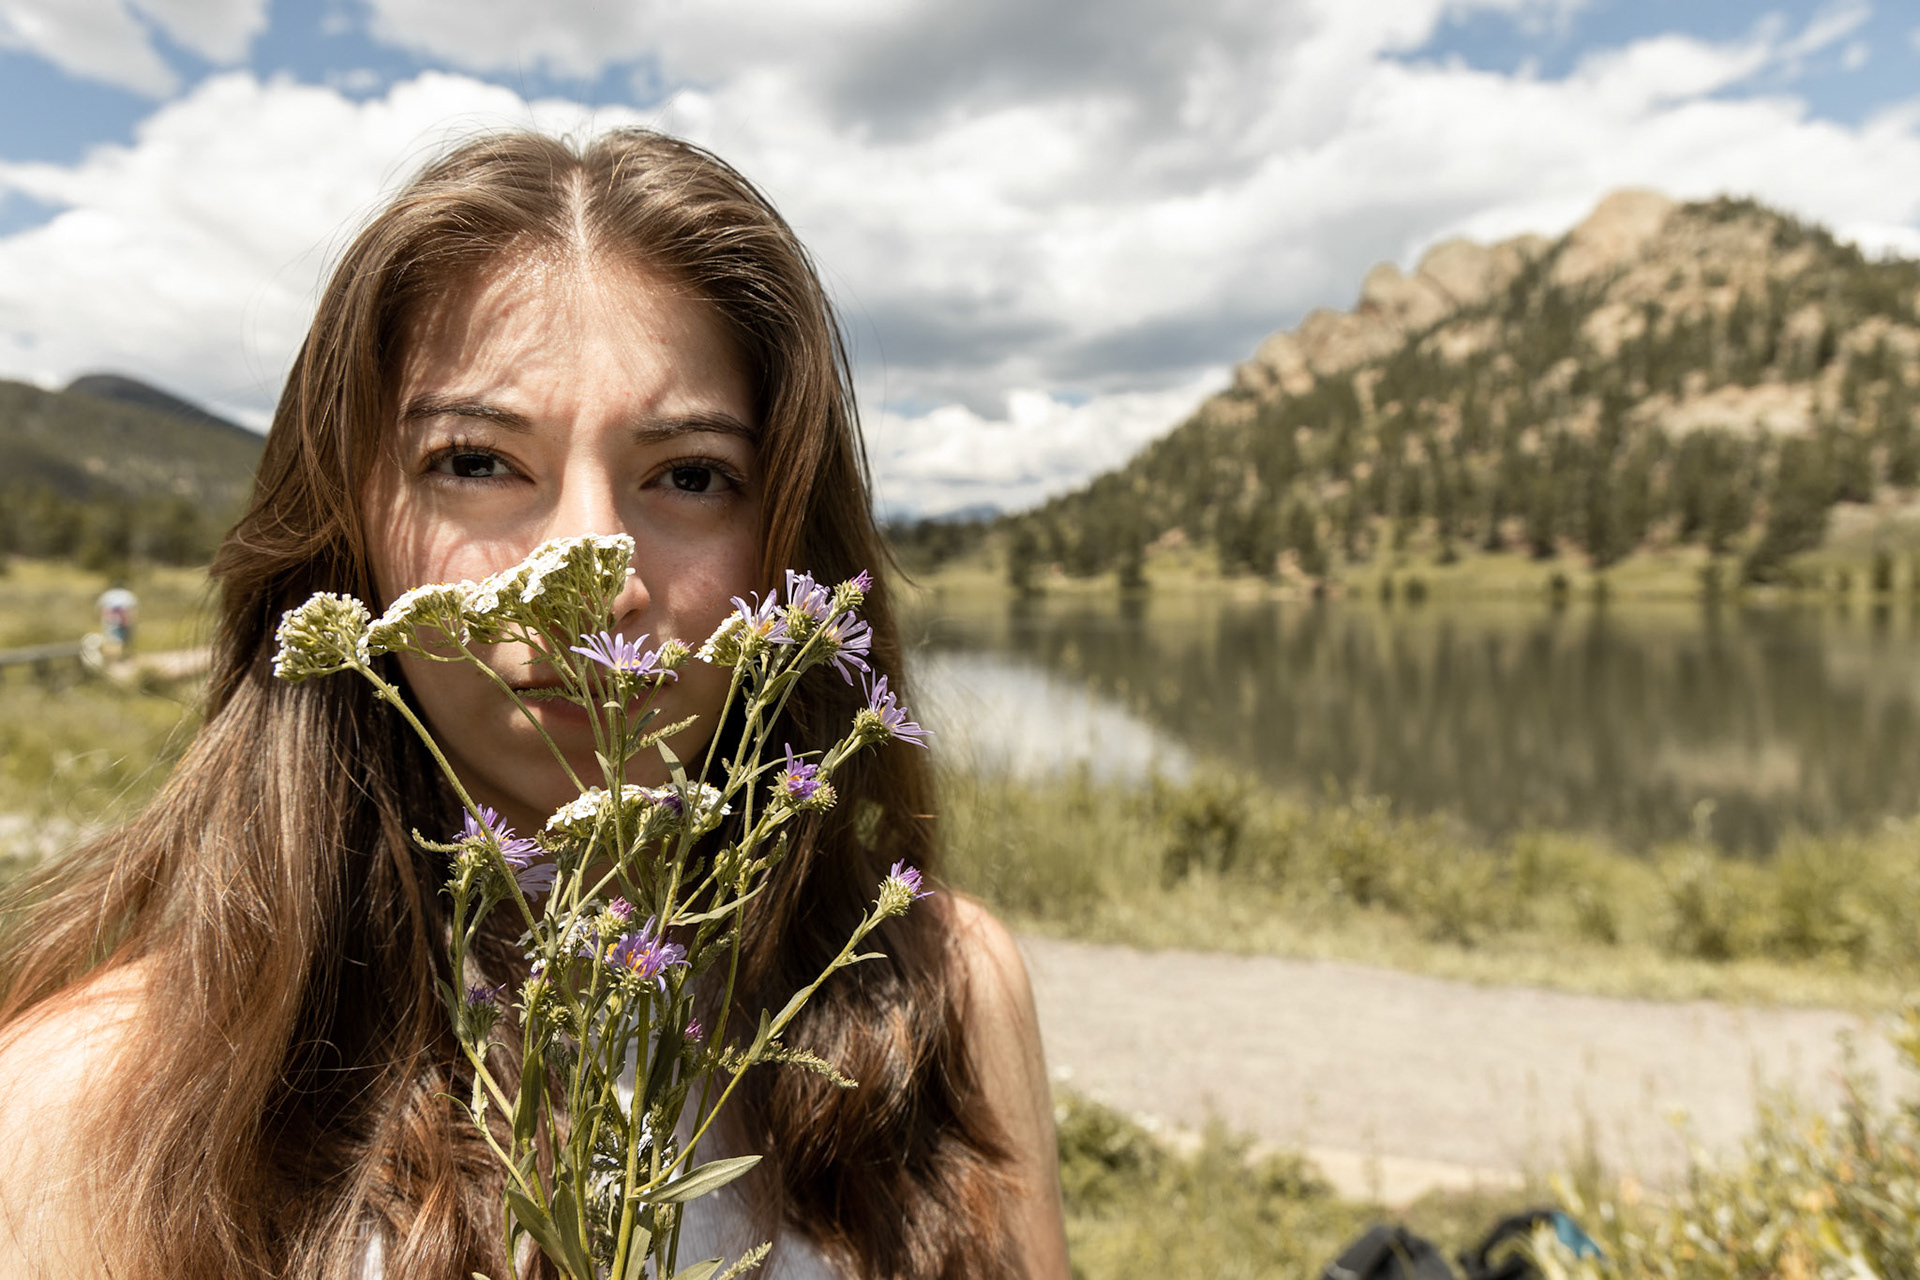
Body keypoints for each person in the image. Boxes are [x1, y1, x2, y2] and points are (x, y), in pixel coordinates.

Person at [0, 130, 1070, 1279]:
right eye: (476, 461)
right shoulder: (87, 1106)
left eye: (691, 474)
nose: (594, 572)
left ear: (787, 543)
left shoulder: (944, 990)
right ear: (345, 528)